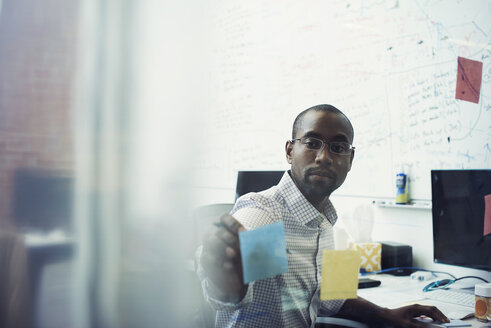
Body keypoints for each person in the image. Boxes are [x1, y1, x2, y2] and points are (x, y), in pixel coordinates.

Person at [197, 104, 449, 327]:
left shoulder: (325, 220)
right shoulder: (269, 217)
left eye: (338, 147)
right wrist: (227, 280)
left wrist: (386, 315)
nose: (324, 157)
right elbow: (232, 293)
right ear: (289, 151)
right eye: (311, 143)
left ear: (350, 159)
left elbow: (331, 296)